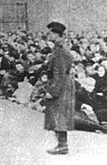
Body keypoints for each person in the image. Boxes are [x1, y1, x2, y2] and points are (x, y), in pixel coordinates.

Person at [43, 21, 75, 155]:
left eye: (50, 32)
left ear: (56, 34)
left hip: (61, 86)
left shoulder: (60, 50)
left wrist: (53, 91)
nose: (47, 34)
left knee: (59, 114)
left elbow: (60, 72)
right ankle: (61, 144)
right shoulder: (58, 48)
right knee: (58, 114)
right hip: (61, 83)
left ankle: (62, 145)